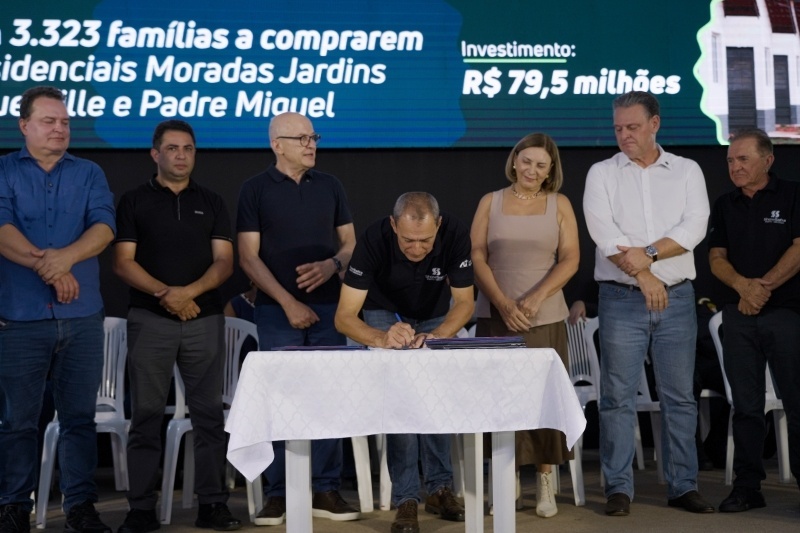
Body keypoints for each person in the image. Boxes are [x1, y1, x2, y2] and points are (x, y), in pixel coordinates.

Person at [583, 91, 714, 516]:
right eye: (618, 128)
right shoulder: (602, 173)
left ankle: (683, 486)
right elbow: (605, 236)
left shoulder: (687, 170)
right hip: (621, 298)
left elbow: (694, 226)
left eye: (633, 127)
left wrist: (650, 256)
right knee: (617, 397)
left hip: (676, 298)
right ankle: (618, 489)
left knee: (679, 397)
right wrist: (643, 275)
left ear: (654, 124)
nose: (624, 135)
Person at [112, 120, 241, 533]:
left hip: (204, 319)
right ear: (155, 154)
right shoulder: (134, 201)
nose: (181, 155)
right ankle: (140, 509)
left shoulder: (212, 201)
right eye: (172, 148)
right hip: (150, 320)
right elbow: (123, 263)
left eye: (188, 148)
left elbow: (225, 262)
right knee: (146, 416)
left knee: (209, 417)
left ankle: (213, 505)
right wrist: (166, 294)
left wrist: (188, 294)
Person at [0, 85, 116, 533]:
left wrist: (64, 259)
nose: (59, 129)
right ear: (24, 125)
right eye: (49, 121)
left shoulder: (89, 172)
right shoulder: (4, 170)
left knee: (79, 420)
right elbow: (2, 228)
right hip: (19, 317)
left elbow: (104, 227)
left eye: (65, 122)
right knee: (18, 422)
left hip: (81, 315)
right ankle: (14, 506)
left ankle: (81, 507)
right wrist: (51, 269)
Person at [236, 112, 359, 526]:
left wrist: (332, 265)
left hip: (330, 309)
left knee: (328, 397)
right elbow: (248, 257)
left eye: (313, 137)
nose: (311, 144)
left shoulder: (331, 185)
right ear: (277, 145)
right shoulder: (254, 189)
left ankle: (325, 488)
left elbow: (350, 243)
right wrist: (288, 302)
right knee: (279, 398)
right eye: (302, 138)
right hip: (276, 312)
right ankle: (278, 493)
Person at [335, 192, 474, 533]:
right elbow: (344, 316)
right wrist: (382, 338)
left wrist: (437, 336)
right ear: (393, 225)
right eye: (408, 240)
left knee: (436, 397)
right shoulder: (373, 240)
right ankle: (407, 498)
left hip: (435, 313)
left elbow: (464, 303)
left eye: (425, 240)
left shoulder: (455, 233)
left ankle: (440, 489)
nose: (416, 248)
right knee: (401, 400)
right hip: (384, 311)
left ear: (438, 225)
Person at [470, 132, 580, 518]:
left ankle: (546, 482)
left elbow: (570, 258)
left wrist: (534, 299)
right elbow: (477, 255)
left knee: (543, 399)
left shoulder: (559, 203)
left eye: (541, 165)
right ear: (515, 160)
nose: (532, 170)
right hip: (496, 316)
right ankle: (508, 479)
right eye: (527, 161)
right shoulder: (490, 201)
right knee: (499, 398)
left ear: (550, 171)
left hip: (544, 316)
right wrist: (502, 303)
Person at [707, 127, 800, 512]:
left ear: (768, 160)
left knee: (797, 402)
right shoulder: (724, 204)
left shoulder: (793, 194)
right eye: (731, 160)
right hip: (739, 316)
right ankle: (747, 488)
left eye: (743, 159)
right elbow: (716, 258)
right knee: (745, 407)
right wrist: (744, 288)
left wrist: (763, 288)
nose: (735, 167)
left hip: (786, 315)